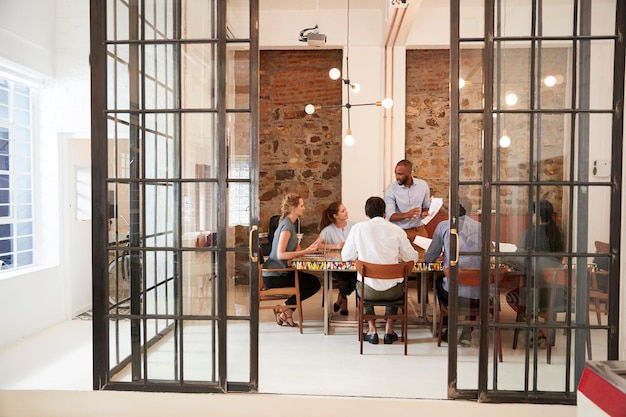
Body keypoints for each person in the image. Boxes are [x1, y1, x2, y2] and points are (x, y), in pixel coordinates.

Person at [341, 196, 419, 345]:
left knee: (363, 282)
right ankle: (389, 330)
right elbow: (412, 257)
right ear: (385, 212)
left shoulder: (358, 229)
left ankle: (372, 330)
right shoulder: (397, 230)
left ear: (366, 212)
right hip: (393, 293)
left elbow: (345, 256)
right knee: (394, 282)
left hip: (368, 291)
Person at [505, 199, 564, 348]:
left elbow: (519, 259)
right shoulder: (559, 235)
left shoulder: (529, 234)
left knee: (511, 296)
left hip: (534, 291)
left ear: (536, 216)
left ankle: (537, 322)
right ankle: (543, 326)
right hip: (556, 292)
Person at [424, 197, 481, 347]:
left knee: (439, 282)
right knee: (472, 283)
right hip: (479, 293)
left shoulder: (444, 226)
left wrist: (443, 256)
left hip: (454, 291)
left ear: (450, 212)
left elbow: (429, 257)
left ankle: (450, 327)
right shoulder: (479, 227)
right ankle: (467, 331)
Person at [263, 193, 322, 327]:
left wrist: (304, 250)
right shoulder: (287, 226)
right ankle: (285, 308)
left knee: (312, 283)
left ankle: (286, 311)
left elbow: (293, 249)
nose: (304, 208)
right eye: (301, 206)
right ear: (292, 208)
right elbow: (281, 254)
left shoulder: (290, 224)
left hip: (280, 272)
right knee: (313, 283)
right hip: (274, 275)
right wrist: (306, 251)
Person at [384, 159, 431, 257]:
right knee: (400, 263)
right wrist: (407, 215)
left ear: (409, 173)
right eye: (396, 174)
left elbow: (426, 206)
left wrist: (425, 213)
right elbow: (390, 216)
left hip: (419, 230)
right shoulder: (391, 189)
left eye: (400, 174)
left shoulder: (423, 186)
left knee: (421, 261)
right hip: (399, 231)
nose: (397, 177)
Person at [318, 202, 357, 316]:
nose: (346, 212)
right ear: (335, 216)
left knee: (356, 279)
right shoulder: (328, 230)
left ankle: (340, 299)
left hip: (353, 263)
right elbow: (318, 245)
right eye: (343, 211)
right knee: (344, 280)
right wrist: (336, 246)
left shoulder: (354, 227)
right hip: (336, 265)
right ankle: (343, 301)